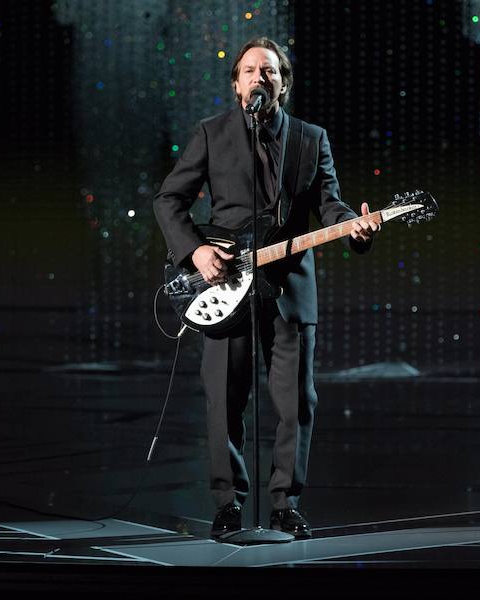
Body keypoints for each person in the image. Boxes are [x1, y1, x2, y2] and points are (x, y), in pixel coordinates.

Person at [153, 37, 379, 541]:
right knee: (224, 399)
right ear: (237, 85)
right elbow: (170, 200)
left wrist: (354, 227)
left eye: (271, 71)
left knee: (297, 401)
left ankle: (284, 504)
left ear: (283, 84)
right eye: (251, 70)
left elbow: (331, 204)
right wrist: (196, 251)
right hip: (224, 283)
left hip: (289, 286)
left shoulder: (309, 137)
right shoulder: (210, 134)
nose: (261, 77)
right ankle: (228, 503)